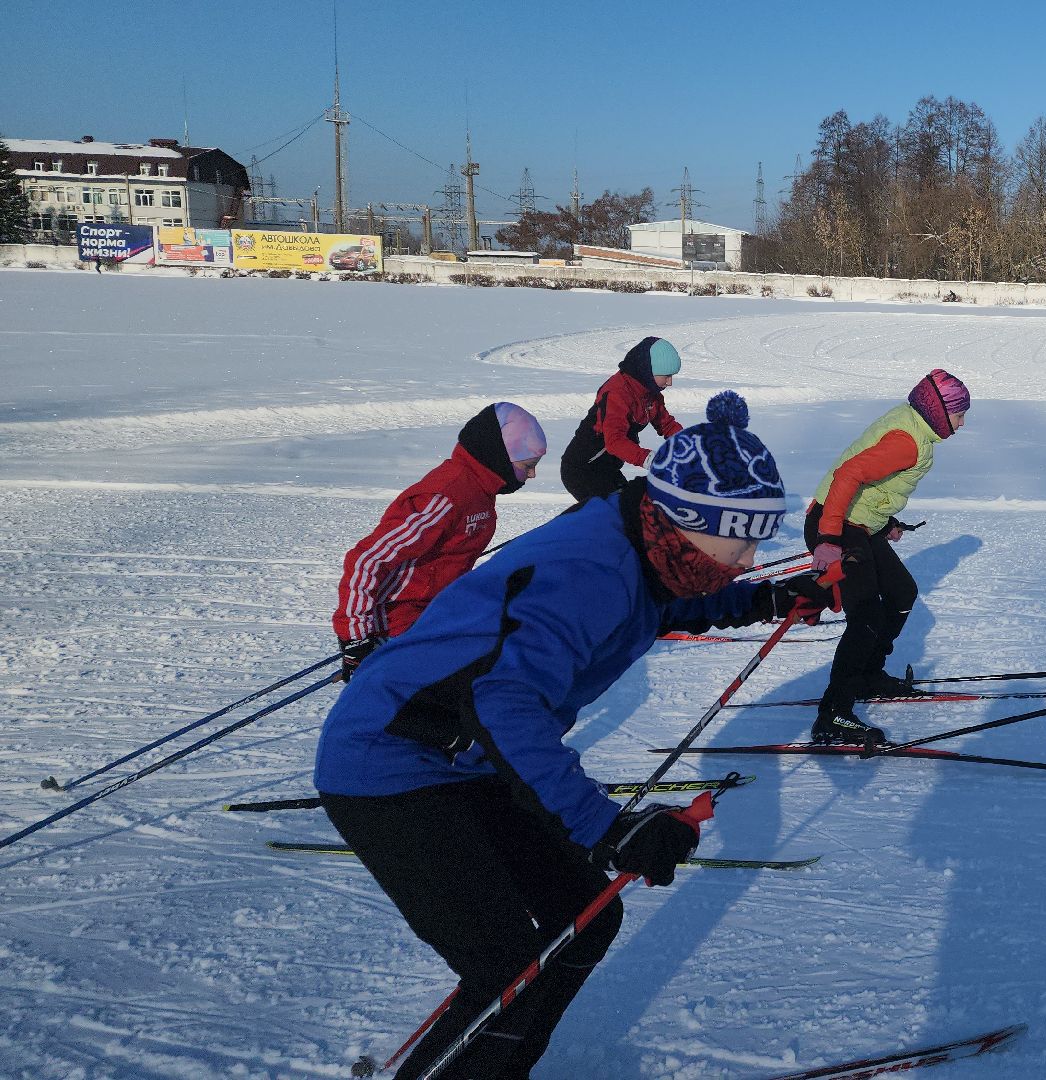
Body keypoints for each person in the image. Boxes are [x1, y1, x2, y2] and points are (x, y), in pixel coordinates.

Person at [314, 392, 828, 1080]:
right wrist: (607, 829)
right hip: (387, 760)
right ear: (687, 522)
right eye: (742, 542)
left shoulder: (646, 542)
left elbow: (676, 594)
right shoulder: (587, 570)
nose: (747, 558)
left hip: (457, 755)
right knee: (505, 969)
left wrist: (765, 597)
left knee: (580, 916)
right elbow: (505, 707)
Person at [804, 369, 970, 748]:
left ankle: (869, 675)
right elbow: (848, 474)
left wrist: (885, 521)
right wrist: (828, 538)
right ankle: (833, 714)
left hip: (856, 523)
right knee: (867, 613)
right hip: (835, 523)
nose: (962, 424)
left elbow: (871, 484)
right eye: (959, 415)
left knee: (901, 592)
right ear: (939, 412)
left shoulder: (914, 428)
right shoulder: (907, 442)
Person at [333, 403, 547, 682]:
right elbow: (368, 560)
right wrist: (356, 641)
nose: (532, 475)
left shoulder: (480, 490)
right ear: (501, 456)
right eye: (527, 466)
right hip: (398, 626)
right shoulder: (446, 495)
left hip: (434, 616)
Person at [559, 336, 684, 502]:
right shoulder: (617, 393)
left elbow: (666, 425)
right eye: (666, 376)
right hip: (583, 470)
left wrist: (691, 445)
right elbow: (615, 442)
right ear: (648, 370)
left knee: (632, 511)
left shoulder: (650, 393)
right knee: (617, 515)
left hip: (607, 469)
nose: (670, 382)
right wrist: (651, 460)